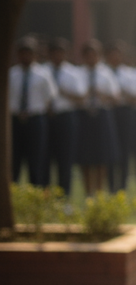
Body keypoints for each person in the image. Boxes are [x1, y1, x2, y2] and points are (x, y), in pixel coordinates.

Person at [9, 36, 57, 187]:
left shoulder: (43, 74)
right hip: (15, 120)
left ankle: (35, 194)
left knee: (36, 160)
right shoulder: (11, 74)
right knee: (14, 160)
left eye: (29, 53)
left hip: (35, 120)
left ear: (35, 55)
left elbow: (49, 99)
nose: (25, 57)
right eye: (22, 53)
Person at [77, 39, 120, 196]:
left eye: (94, 55)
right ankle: (89, 194)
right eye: (87, 55)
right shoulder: (78, 73)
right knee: (85, 158)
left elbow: (116, 97)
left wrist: (102, 95)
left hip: (102, 115)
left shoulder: (106, 73)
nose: (91, 58)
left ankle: (100, 193)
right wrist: (83, 96)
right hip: (84, 116)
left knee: (102, 157)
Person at [46, 37, 84, 196]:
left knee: (65, 159)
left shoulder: (73, 73)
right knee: (44, 159)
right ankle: (45, 196)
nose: (58, 56)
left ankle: (64, 196)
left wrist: (62, 92)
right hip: (46, 118)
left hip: (66, 118)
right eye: (55, 53)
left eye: (61, 53)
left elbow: (81, 98)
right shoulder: (43, 71)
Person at [107, 42, 136, 193]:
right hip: (109, 112)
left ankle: (123, 184)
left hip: (125, 112)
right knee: (109, 148)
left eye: (118, 55)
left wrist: (119, 93)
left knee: (124, 148)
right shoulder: (104, 73)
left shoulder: (129, 73)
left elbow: (135, 96)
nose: (115, 58)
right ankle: (110, 184)